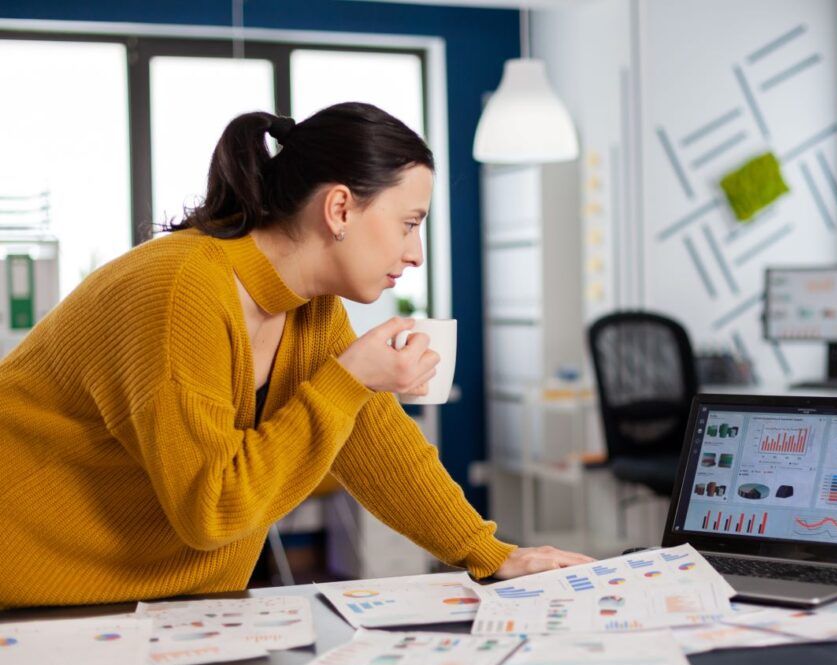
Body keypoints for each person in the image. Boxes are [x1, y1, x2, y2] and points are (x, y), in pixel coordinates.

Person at [0, 102, 590, 608]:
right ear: (339, 209)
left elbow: (380, 447)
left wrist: (489, 554)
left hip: (138, 606)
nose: (416, 254)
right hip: (27, 587)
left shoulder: (311, 311)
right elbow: (214, 511)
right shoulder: (180, 289)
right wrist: (347, 380)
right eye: (409, 224)